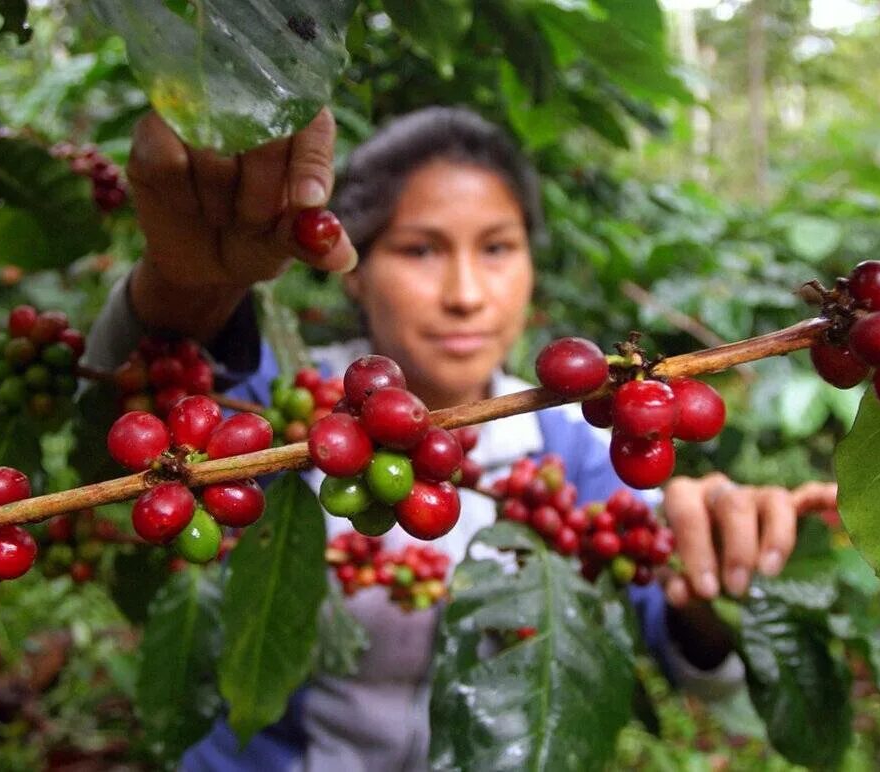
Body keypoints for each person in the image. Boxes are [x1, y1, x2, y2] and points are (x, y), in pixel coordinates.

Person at [86, 106, 836, 770]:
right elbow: (139, 413)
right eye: (420, 250)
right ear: (353, 269)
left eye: (498, 248)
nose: (467, 294)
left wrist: (711, 575)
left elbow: (692, 661)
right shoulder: (291, 415)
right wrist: (185, 285)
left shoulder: (577, 444)